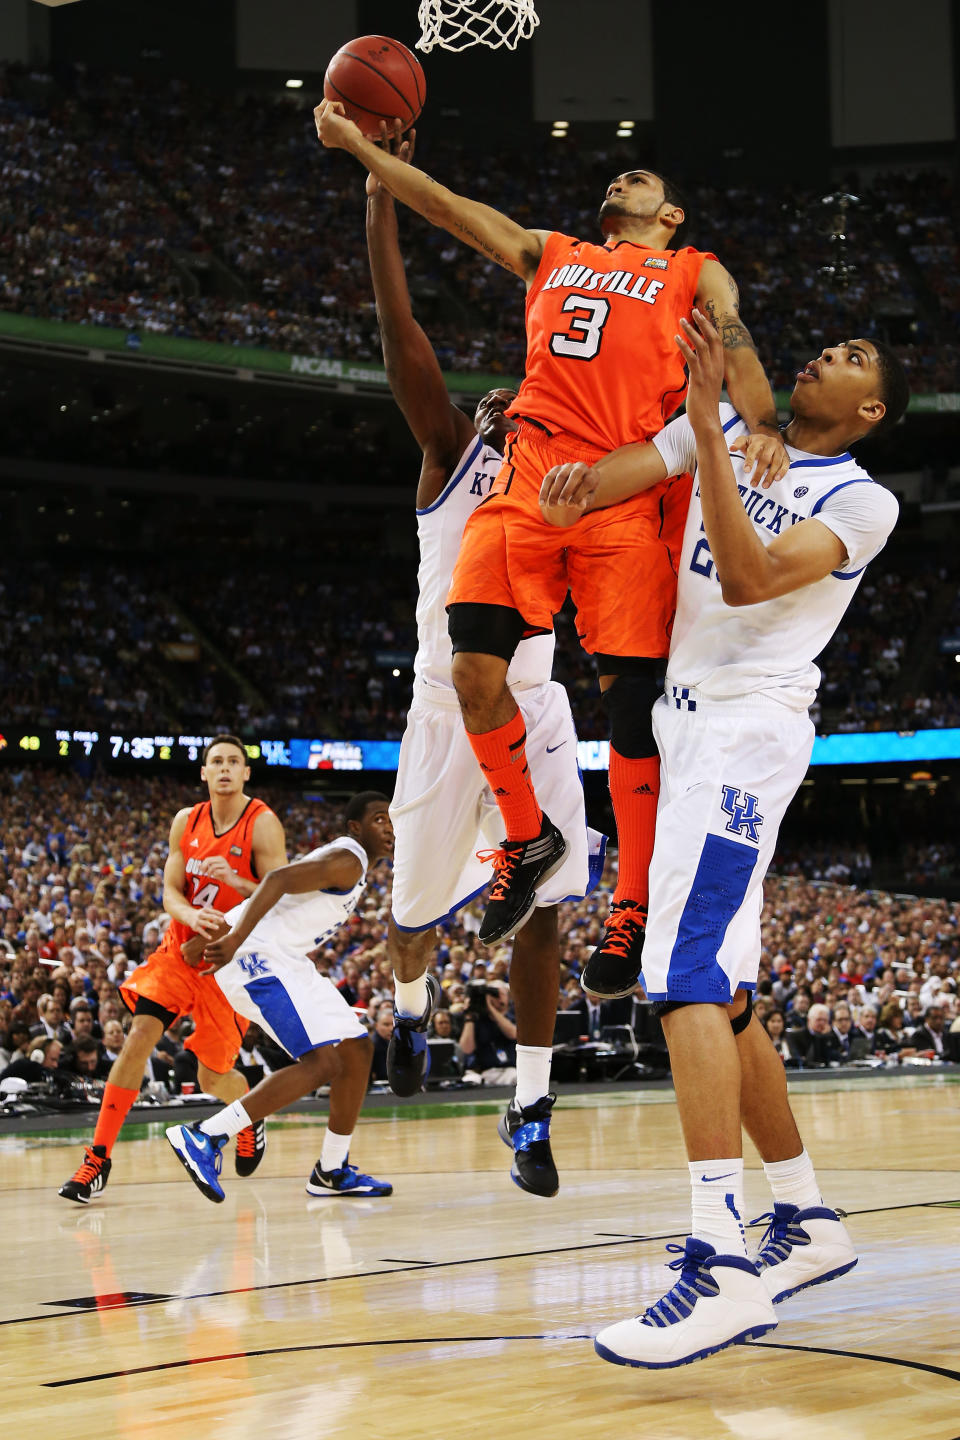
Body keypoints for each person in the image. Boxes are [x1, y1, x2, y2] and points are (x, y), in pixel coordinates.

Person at [315, 102, 787, 988]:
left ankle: (634, 906)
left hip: (627, 488)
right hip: (530, 474)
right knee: (473, 674)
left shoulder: (694, 268)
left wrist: (762, 423)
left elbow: (738, 342)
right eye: (617, 176)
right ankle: (527, 837)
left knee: (630, 711)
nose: (621, 180)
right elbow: (455, 210)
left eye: (639, 179)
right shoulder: (554, 250)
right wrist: (363, 155)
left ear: (672, 214)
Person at [541, 311, 908, 1367]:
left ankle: (721, 1264)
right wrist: (560, 475)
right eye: (823, 344)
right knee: (727, 992)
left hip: (743, 731)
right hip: (685, 722)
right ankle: (804, 1218)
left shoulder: (859, 500)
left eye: (847, 359)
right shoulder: (749, 433)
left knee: (683, 972)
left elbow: (749, 579)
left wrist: (707, 427)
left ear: (871, 410)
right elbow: (637, 446)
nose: (821, 355)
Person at [364, 123, 604, 1197]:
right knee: (412, 916)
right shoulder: (451, 465)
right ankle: (411, 1013)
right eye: (497, 402)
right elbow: (397, 322)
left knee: (548, 898)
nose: (512, 406)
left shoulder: (569, 486)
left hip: (537, 704)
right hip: (441, 708)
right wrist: (379, 181)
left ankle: (532, 1104)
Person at [58, 735, 287, 1204]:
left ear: (247, 773)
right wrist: (189, 920)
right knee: (139, 1033)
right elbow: (169, 890)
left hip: (230, 963)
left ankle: (249, 1113)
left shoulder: (261, 824)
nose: (224, 768)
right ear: (203, 773)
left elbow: (280, 897)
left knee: (211, 1079)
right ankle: (98, 1158)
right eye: (215, 762)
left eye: (233, 762)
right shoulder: (187, 820)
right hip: (179, 952)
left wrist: (236, 883)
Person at [165, 792, 394, 1202]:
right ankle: (206, 1135)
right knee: (323, 1062)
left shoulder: (353, 866)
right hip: (257, 958)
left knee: (357, 1050)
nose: (390, 828)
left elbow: (278, 899)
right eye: (379, 819)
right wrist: (232, 938)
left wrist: (211, 936)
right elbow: (278, 880)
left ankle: (331, 1169)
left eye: (392, 820)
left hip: (284, 958)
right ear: (356, 827)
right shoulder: (350, 859)